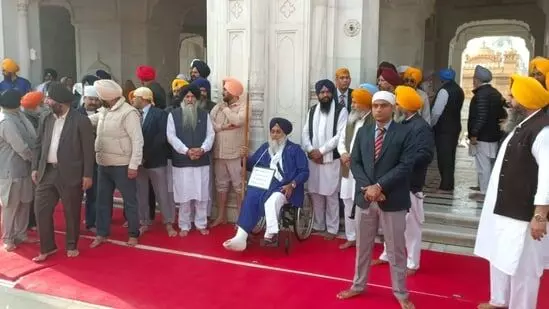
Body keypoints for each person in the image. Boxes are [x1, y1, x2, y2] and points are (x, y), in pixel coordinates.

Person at [474, 75, 549, 309]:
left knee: (523, 268)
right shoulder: (523, 125)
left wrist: (540, 215)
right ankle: (499, 300)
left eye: (513, 96)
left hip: (524, 214)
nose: (509, 99)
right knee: (501, 255)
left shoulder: (543, 131)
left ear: (525, 101)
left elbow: (548, 176)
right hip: (505, 208)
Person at [336, 90, 415, 309]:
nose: (378, 109)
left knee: (396, 249)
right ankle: (358, 285)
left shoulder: (404, 133)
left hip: (392, 198)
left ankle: (401, 292)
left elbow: (406, 165)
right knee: (363, 246)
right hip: (365, 198)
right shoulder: (364, 131)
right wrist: (368, 188)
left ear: (392, 108)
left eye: (383, 105)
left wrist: (379, 186)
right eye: (375, 106)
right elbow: (355, 162)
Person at [371, 86, 435, 275]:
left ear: (404, 106)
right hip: (394, 182)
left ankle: (412, 263)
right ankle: (386, 254)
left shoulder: (421, 127)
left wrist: (402, 163)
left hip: (410, 183)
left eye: (397, 104)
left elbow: (425, 155)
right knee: (389, 222)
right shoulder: (401, 124)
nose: (395, 106)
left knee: (412, 226)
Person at [223, 117, 309, 251]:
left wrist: (292, 184)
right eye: (272, 132)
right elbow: (251, 165)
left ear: (285, 134)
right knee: (250, 197)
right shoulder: (265, 148)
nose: (274, 135)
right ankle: (240, 237)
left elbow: (304, 172)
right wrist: (244, 157)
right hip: (263, 185)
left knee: (272, 200)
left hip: (284, 187)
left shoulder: (295, 149)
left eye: (278, 132)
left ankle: (271, 233)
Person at [31, 82, 95, 262]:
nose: (46, 102)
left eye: (49, 100)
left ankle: (71, 245)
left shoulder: (81, 120)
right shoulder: (46, 118)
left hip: (71, 173)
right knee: (41, 210)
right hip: (47, 171)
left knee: (71, 212)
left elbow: (88, 150)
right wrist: (35, 167)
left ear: (60, 103)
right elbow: (38, 144)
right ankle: (47, 248)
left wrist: (88, 174)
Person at [88, 79, 144, 248]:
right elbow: (90, 121)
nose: (97, 99)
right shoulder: (104, 111)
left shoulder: (129, 113)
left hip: (123, 165)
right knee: (102, 200)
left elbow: (137, 140)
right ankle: (101, 233)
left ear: (107, 97)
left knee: (130, 201)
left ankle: (134, 233)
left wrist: (134, 165)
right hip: (103, 163)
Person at [302, 79, 348, 240]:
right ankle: (319, 225)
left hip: (331, 159)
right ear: (317, 95)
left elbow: (339, 136)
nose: (325, 95)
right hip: (314, 159)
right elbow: (305, 133)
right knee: (315, 193)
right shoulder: (313, 110)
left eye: (328, 92)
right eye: (322, 92)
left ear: (332, 93)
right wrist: (310, 150)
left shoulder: (341, 111)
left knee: (331, 194)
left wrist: (321, 151)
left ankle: (333, 228)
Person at [166, 84, 215, 236]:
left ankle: (201, 224)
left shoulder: (204, 114)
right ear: (182, 99)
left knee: (202, 195)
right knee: (184, 195)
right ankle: (184, 225)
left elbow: (211, 135)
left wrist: (202, 149)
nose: (190, 99)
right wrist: (186, 151)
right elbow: (171, 137)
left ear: (197, 99)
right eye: (187, 97)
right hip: (182, 162)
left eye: (193, 96)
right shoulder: (173, 115)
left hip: (201, 161)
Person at [132, 87, 176, 236]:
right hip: (138, 161)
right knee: (141, 193)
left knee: (162, 193)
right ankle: (144, 221)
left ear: (143, 98)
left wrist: (146, 154)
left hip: (156, 160)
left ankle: (168, 222)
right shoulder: (133, 115)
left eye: (135, 97)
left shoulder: (160, 114)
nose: (133, 100)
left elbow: (161, 138)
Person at [337, 87, 377, 249]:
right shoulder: (352, 119)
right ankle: (351, 236)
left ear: (365, 104)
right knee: (347, 201)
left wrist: (354, 158)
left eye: (355, 102)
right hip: (347, 168)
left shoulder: (373, 121)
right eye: (352, 102)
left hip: (363, 171)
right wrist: (343, 153)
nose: (352, 105)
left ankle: (364, 239)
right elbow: (341, 139)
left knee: (362, 204)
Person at [0, 90, 37, 252]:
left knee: (25, 201)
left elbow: (33, 136)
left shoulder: (19, 115)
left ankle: (21, 234)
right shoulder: (5, 121)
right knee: (11, 205)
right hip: (11, 170)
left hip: (25, 168)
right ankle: (8, 237)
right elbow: (20, 147)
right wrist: (36, 159)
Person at [210, 77, 246, 227]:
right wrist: (223, 127)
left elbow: (238, 121)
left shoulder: (243, 106)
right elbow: (210, 123)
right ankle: (221, 216)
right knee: (220, 186)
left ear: (233, 93)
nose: (223, 92)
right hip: (219, 153)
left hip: (235, 155)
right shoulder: (217, 107)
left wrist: (225, 110)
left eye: (226, 90)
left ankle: (241, 219)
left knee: (239, 187)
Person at [466, 65, 505, 202]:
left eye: (474, 79)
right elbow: (502, 113)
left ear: (477, 80)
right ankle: (486, 189)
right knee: (489, 163)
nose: (473, 81)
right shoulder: (495, 93)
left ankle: (484, 192)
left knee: (483, 165)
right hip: (493, 134)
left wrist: (474, 134)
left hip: (483, 136)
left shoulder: (481, 95)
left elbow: (481, 116)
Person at [431, 68, 464, 193]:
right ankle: (448, 183)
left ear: (442, 79)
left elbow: (436, 112)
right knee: (450, 156)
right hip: (454, 127)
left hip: (444, 129)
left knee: (444, 157)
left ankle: (446, 185)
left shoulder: (444, 91)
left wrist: (431, 124)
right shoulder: (459, 90)